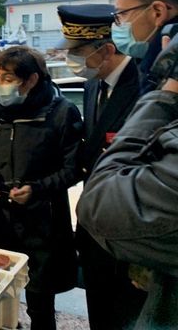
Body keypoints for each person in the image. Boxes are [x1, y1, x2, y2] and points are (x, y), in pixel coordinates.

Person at [56, 4, 146, 330]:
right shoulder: (94, 82)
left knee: (128, 317)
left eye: (77, 52)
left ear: (107, 49)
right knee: (100, 312)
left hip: (129, 234)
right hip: (94, 227)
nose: (72, 60)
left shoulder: (146, 89)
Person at [0, 46, 82, 329]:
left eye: (8, 78)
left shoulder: (62, 113)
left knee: (40, 300)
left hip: (44, 221)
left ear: (31, 80)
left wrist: (36, 189)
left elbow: (73, 168)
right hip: (2, 218)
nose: (0, 85)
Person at [77, 45, 178, 329]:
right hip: (123, 232)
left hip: (135, 225)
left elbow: (99, 202)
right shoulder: (93, 86)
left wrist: (166, 95)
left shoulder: (146, 86)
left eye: (121, 16)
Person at [111, 0, 178, 93]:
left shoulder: (166, 74)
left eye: (123, 13)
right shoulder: (157, 67)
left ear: (158, 12)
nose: (118, 24)